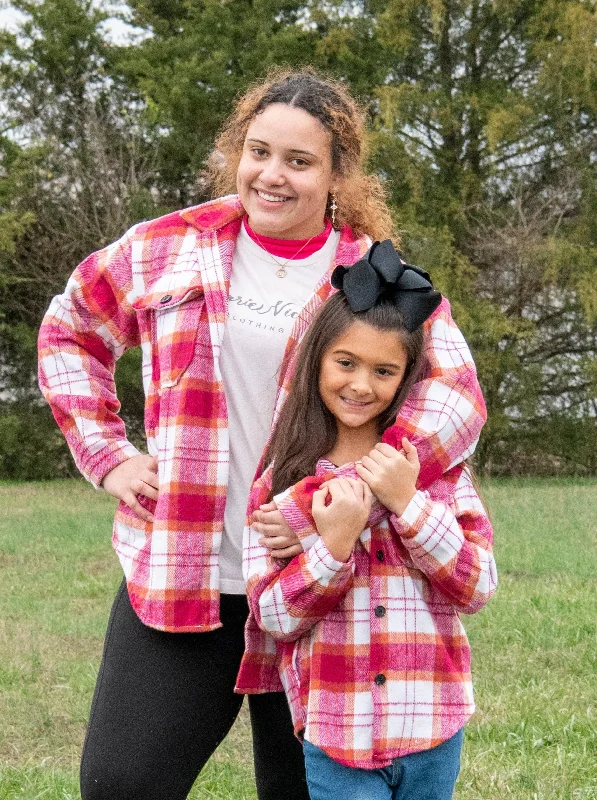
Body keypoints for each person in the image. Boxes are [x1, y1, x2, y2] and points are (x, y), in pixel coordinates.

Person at [38, 68, 487, 800]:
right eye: (258, 152)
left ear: (337, 172)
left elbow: (453, 401)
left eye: (299, 161)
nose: (271, 176)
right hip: (186, 577)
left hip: (322, 590)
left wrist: (331, 499)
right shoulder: (164, 248)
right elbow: (70, 328)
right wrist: (107, 454)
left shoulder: (378, 279)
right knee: (122, 784)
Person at [238, 241, 498, 800]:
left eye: (384, 371)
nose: (360, 385)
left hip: (432, 727)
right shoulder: (280, 484)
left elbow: (478, 585)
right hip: (338, 737)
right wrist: (331, 547)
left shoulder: (437, 475)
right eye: (345, 363)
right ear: (317, 361)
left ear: (406, 376)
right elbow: (274, 618)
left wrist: (408, 504)